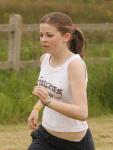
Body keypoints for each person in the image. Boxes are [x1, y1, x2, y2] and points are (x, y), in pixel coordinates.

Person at [27, 12, 95, 150]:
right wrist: (37, 108)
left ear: (66, 37)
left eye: (49, 35)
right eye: (41, 35)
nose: (43, 39)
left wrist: (48, 102)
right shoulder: (45, 59)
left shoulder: (74, 64)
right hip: (45, 137)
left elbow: (82, 113)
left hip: (75, 144)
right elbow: (49, 92)